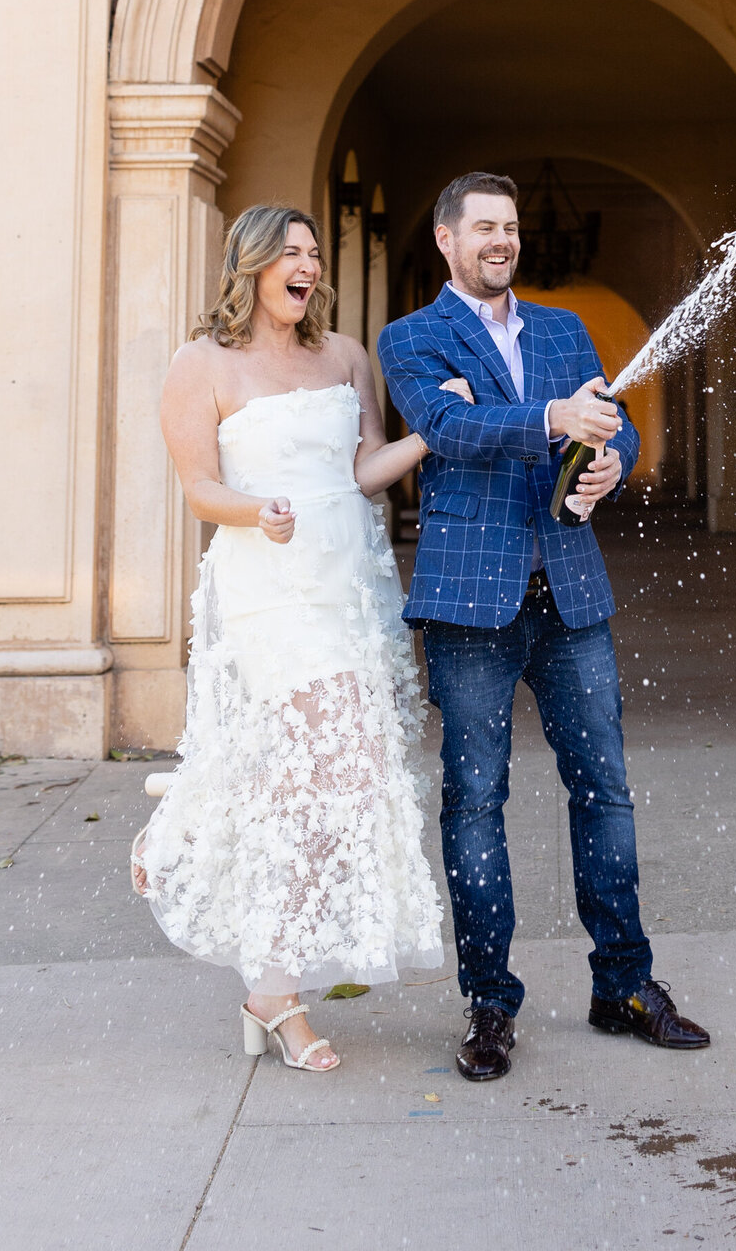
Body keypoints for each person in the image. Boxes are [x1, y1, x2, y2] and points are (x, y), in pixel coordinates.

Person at [378, 169, 710, 1083]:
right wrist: (552, 420)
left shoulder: (563, 330)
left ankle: (625, 986)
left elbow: (619, 422)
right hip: (468, 607)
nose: (502, 241)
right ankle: (489, 1004)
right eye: (483, 226)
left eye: (512, 227)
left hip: (570, 594)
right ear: (446, 240)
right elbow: (446, 426)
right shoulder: (411, 337)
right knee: (475, 801)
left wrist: (610, 462)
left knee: (604, 789)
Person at [133, 204, 443, 1075]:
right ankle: (272, 985)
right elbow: (199, 486)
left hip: (349, 579)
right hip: (268, 584)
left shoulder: (346, 357)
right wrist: (254, 510)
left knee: (337, 777)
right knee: (324, 770)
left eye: (314, 253)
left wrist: (432, 431)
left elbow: (361, 471)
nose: (306, 266)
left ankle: (259, 959)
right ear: (252, 265)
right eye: (290, 253)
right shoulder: (201, 364)